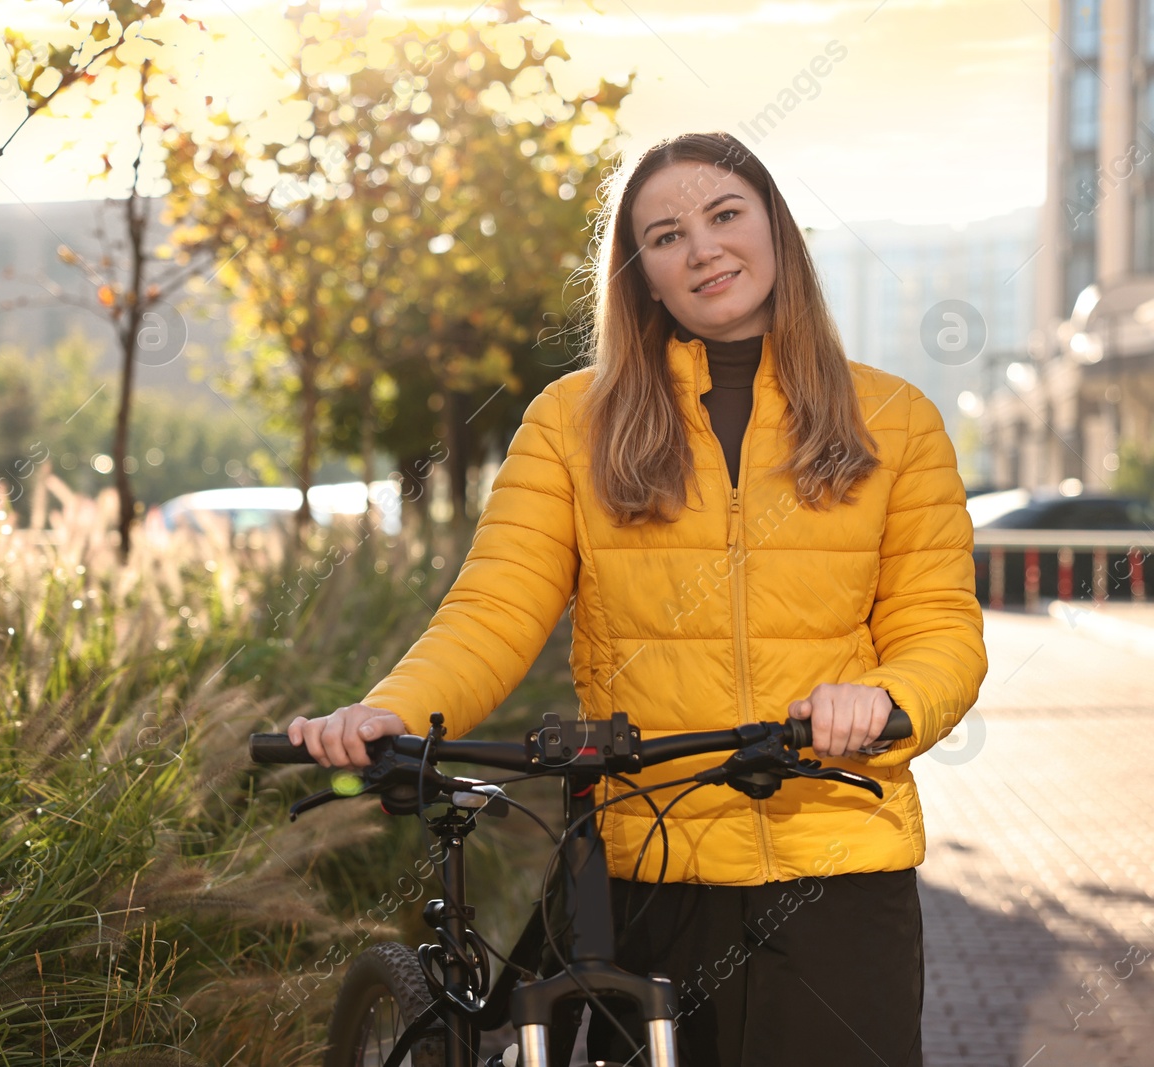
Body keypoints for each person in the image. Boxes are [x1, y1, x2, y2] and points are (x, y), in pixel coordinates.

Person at [286, 131, 987, 1067]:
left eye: (726, 215)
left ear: (776, 230)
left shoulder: (895, 421)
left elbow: (939, 628)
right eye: (666, 234)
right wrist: (389, 713)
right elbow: (494, 609)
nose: (703, 249)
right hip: (648, 871)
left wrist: (886, 700)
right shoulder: (572, 421)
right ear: (641, 273)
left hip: (835, 862)